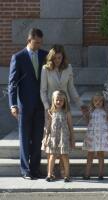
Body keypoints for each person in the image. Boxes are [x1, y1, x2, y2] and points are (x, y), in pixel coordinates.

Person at [40, 44, 87, 178]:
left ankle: (63, 171)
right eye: (55, 58)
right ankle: (50, 172)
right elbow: (43, 91)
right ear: (51, 58)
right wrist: (46, 106)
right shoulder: (45, 69)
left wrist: (81, 104)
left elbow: (71, 89)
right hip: (50, 109)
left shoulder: (68, 68)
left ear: (63, 57)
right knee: (51, 140)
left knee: (63, 140)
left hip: (65, 108)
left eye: (59, 58)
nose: (57, 61)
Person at [8, 28, 48, 179]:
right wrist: (13, 104)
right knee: (25, 138)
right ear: (29, 40)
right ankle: (25, 170)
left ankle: (35, 169)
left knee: (38, 138)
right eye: (36, 42)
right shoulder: (18, 57)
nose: (39, 45)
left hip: (40, 104)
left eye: (40, 42)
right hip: (24, 106)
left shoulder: (44, 55)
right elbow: (12, 84)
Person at [42, 90, 75, 182]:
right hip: (53, 138)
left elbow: (71, 127)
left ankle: (67, 175)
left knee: (64, 156)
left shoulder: (67, 112)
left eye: (61, 100)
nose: (59, 102)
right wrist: (45, 138)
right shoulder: (51, 112)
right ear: (53, 100)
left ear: (65, 101)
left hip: (63, 138)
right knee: (52, 156)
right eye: (57, 100)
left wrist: (72, 139)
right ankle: (49, 174)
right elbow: (48, 127)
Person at [82, 93, 108, 180]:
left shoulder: (105, 111)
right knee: (90, 154)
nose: (98, 102)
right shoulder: (91, 111)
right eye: (96, 101)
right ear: (92, 102)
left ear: (103, 102)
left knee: (101, 154)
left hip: (101, 136)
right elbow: (87, 121)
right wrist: (84, 113)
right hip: (92, 136)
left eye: (100, 101)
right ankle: (87, 174)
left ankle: (101, 174)